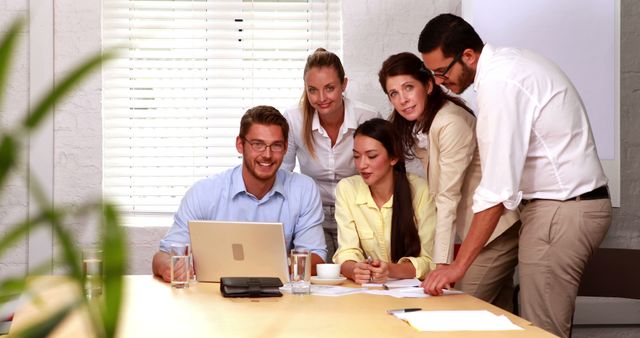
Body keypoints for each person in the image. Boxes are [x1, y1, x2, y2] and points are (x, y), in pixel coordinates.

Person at [418, 14, 611, 338]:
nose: (439, 81)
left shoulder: (500, 84)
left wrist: (457, 265)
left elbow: (496, 191)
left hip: (562, 208)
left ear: (468, 55)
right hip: (554, 206)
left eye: (442, 71)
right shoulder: (508, 66)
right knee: (509, 321)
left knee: (542, 330)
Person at [378, 52, 520, 310]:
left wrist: (441, 264)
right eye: (393, 94)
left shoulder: (450, 122)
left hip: (495, 232)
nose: (402, 100)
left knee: (457, 308)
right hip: (479, 234)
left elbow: (447, 197)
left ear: (429, 85)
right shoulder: (423, 126)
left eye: (408, 87)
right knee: (499, 317)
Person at [152, 105, 327, 282]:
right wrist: (170, 267)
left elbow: (315, 258)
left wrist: (253, 266)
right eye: (257, 144)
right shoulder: (204, 192)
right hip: (214, 300)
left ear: (285, 148)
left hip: (278, 301)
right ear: (240, 145)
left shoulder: (303, 189)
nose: (267, 154)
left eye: (276, 145)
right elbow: (163, 256)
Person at [283, 48, 380, 261]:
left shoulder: (368, 116)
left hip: (357, 213)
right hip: (311, 215)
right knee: (317, 278)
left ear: (344, 84)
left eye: (329, 88)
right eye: (313, 90)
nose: (321, 98)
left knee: (357, 277)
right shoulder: (293, 119)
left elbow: (382, 175)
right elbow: (282, 174)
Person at [332, 118, 436, 283]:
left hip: (414, 293)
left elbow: (429, 262)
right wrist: (354, 270)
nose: (362, 165)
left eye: (371, 156)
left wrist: (389, 270)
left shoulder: (420, 190)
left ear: (393, 158)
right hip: (369, 291)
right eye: (356, 156)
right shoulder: (347, 189)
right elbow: (346, 252)